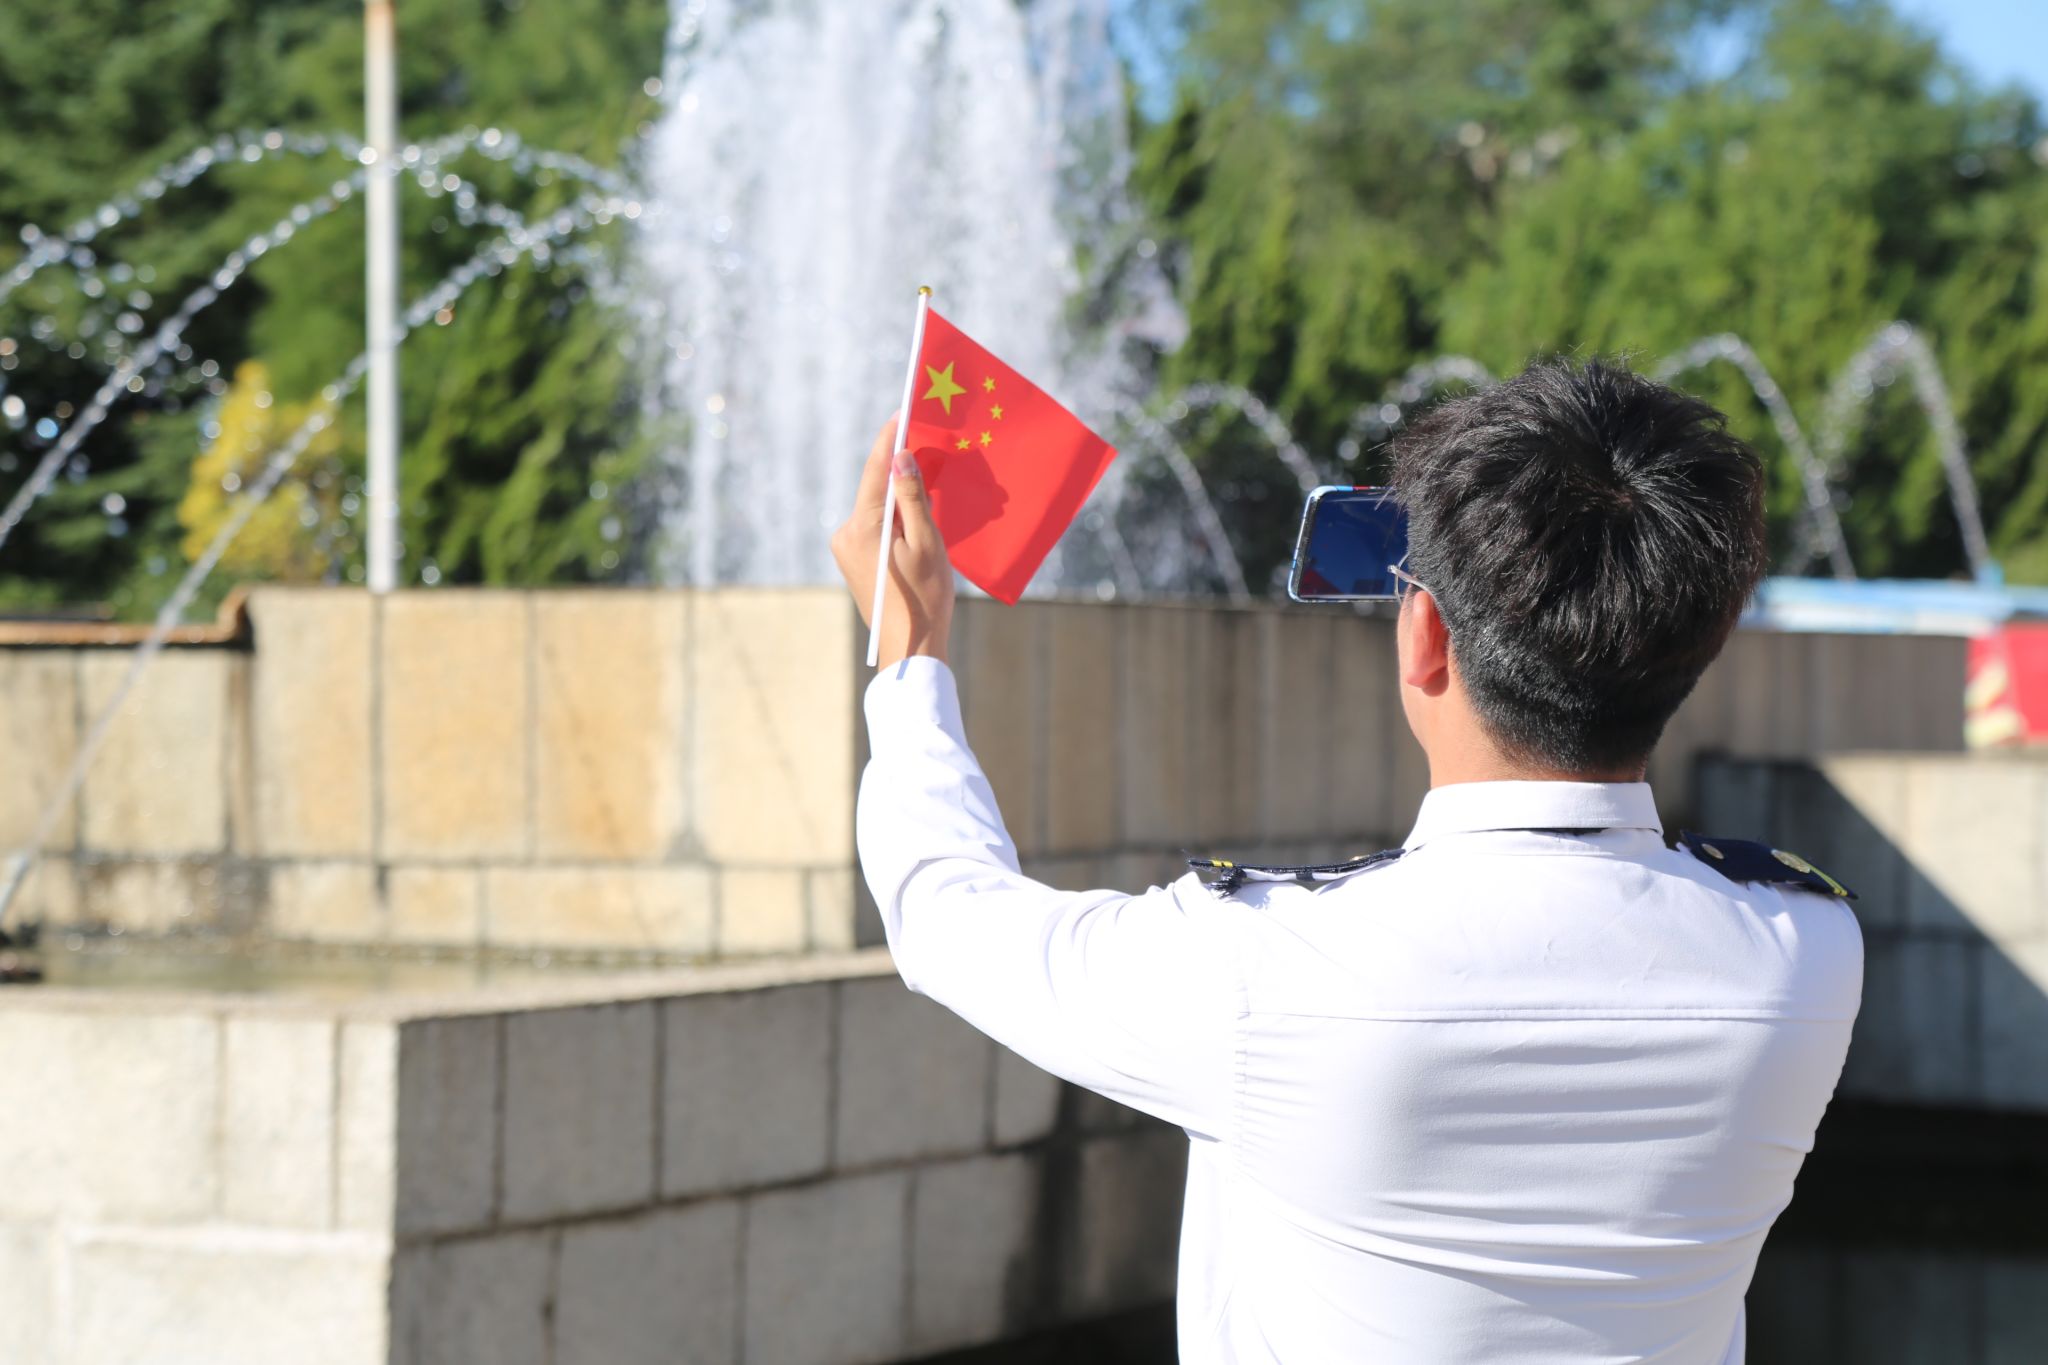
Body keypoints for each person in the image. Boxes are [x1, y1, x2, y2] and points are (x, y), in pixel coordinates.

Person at [829, 359, 1861, 1365]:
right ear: (1700, 638)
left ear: (1423, 637)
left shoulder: (1260, 973)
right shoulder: (1805, 954)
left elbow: (947, 913)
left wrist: (911, 651)